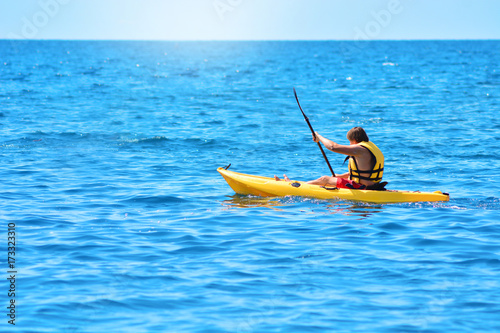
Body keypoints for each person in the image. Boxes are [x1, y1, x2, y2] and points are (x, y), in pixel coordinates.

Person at [275, 127, 385, 190]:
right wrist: (339, 176)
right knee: (330, 179)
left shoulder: (360, 149)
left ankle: (292, 188)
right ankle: (297, 184)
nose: (350, 144)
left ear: (355, 139)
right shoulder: (371, 147)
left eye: (350, 141)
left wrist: (319, 136)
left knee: (325, 179)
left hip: (361, 188)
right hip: (373, 186)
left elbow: (332, 147)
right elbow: (364, 173)